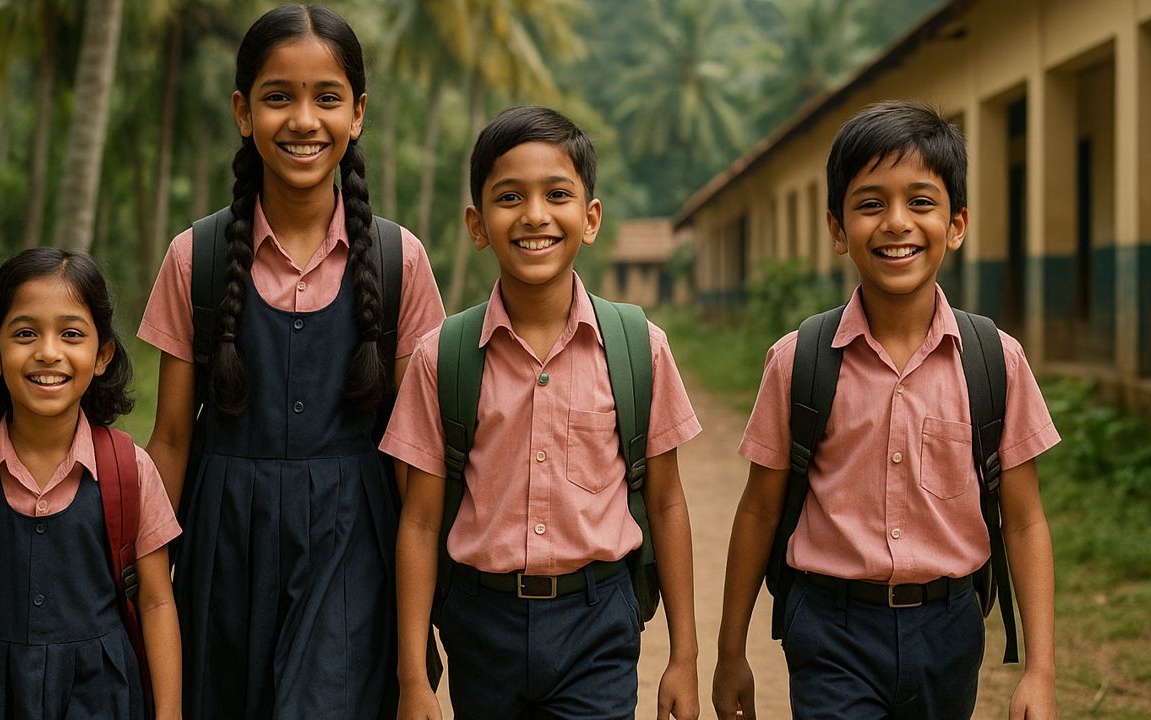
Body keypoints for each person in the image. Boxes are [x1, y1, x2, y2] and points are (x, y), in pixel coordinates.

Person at [138, 4, 445, 718]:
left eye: (326, 98)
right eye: (279, 96)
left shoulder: (402, 262)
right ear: (244, 112)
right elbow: (174, 437)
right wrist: (135, 576)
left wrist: (421, 632)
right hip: (223, 547)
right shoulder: (198, 259)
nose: (303, 120)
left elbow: (416, 459)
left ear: (358, 114)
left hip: (354, 548)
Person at [711, 100, 1060, 720]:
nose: (897, 222)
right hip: (829, 627)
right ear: (838, 230)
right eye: (870, 204)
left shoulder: (994, 360)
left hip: (950, 628)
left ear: (956, 225)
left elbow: (1026, 520)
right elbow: (760, 509)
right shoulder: (799, 361)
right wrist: (730, 650)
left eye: (921, 202)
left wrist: (1040, 668)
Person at [385, 105, 702, 720]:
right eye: (509, 196)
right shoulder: (442, 357)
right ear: (477, 224)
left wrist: (683, 658)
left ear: (590, 219)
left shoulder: (639, 348)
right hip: (482, 623)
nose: (534, 215)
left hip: (597, 619)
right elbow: (420, 523)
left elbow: (665, 502)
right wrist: (413, 680)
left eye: (557, 194)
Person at [0, 248, 181, 720]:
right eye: (25, 333)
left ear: (102, 355)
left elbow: (155, 603)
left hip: (103, 702)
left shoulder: (130, 471)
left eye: (71, 334)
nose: (48, 351)